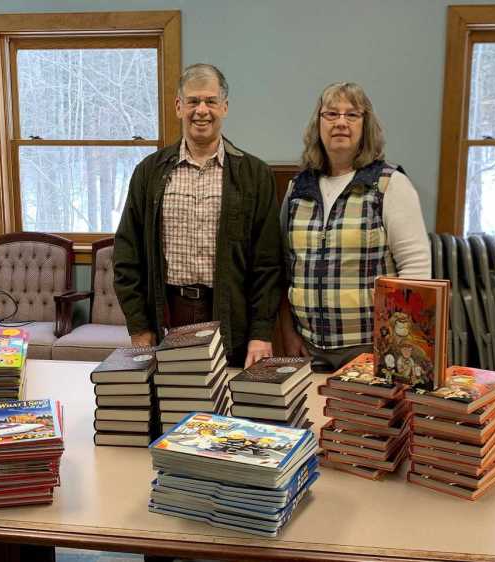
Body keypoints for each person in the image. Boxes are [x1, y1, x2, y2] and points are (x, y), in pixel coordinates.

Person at [114, 63, 281, 368]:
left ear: (225, 107)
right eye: (192, 101)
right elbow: (127, 256)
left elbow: (267, 264)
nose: (201, 110)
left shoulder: (254, 175)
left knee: (225, 411)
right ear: (179, 106)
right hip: (168, 315)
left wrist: (261, 332)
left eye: (210, 101)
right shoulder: (149, 173)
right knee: (170, 404)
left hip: (231, 320)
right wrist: (139, 327)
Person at [280, 82, 431, 372]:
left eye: (352, 115)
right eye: (331, 114)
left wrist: (397, 348)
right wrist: (288, 333)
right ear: (318, 124)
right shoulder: (297, 189)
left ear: (366, 125)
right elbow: (285, 269)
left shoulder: (389, 185)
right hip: (309, 351)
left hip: (373, 350)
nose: (340, 122)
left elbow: (416, 271)